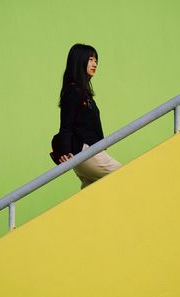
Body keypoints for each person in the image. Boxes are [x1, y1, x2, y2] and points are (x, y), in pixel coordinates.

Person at [57, 43, 122, 189]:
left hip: (86, 155)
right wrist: (65, 151)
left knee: (92, 198)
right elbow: (66, 125)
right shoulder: (74, 91)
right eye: (90, 59)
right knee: (125, 174)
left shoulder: (81, 92)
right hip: (87, 152)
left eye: (96, 60)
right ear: (79, 61)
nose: (95, 64)